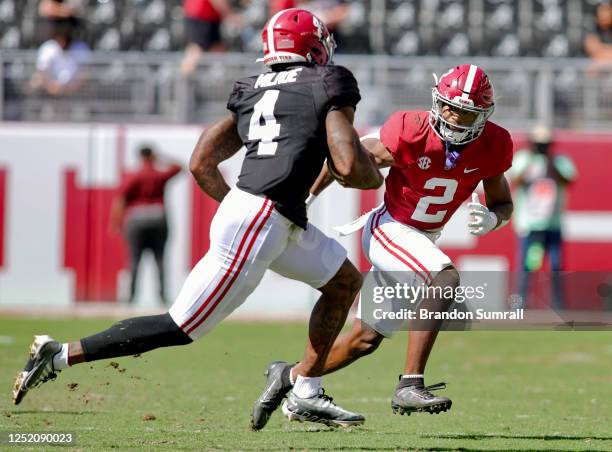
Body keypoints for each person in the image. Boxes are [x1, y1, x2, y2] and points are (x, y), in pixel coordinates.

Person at [12, 8, 383, 428]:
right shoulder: (328, 80)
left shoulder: (253, 87)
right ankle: (59, 355)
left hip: (268, 216)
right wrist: (378, 172)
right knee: (181, 326)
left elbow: (201, 162)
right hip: (264, 219)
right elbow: (350, 167)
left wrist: (238, 207)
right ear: (314, 47)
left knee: (344, 283)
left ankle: (304, 392)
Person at [251, 64, 514, 429]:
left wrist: (493, 219)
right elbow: (349, 154)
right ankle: (410, 384)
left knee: (364, 339)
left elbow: (503, 202)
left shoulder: (493, 144)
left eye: (465, 111)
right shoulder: (412, 129)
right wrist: (308, 197)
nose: (453, 116)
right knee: (445, 278)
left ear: (483, 115)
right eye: (449, 105)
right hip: (391, 229)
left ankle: (291, 377)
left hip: (423, 238)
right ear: (437, 100)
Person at [510, 126, 577, 309]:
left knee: (556, 265)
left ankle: (557, 304)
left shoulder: (559, 161)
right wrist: (532, 161)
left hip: (552, 223)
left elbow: (569, 180)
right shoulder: (524, 159)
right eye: (539, 144)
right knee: (526, 265)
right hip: (528, 223)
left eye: (545, 144)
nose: (542, 147)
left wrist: (550, 162)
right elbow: (515, 180)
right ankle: (520, 303)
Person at [109, 146, 182, 305]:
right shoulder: (159, 175)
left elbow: (121, 199)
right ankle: (163, 297)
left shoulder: (135, 176)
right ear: (152, 156)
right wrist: (160, 157)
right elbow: (179, 167)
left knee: (134, 259)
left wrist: (116, 222)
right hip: (158, 218)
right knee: (160, 259)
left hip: (137, 220)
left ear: (140, 157)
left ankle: (131, 298)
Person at [181, 0, 242, 74]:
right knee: (195, 51)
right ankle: (185, 80)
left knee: (217, 49)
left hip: (209, 17)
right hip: (201, 16)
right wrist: (229, 15)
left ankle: (218, 80)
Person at [29, 28, 89, 96]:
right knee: (35, 80)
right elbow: (41, 72)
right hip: (50, 90)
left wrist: (70, 88)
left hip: (74, 92)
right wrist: (51, 86)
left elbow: (85, 73)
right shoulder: (49, 47)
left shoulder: (80, 47)